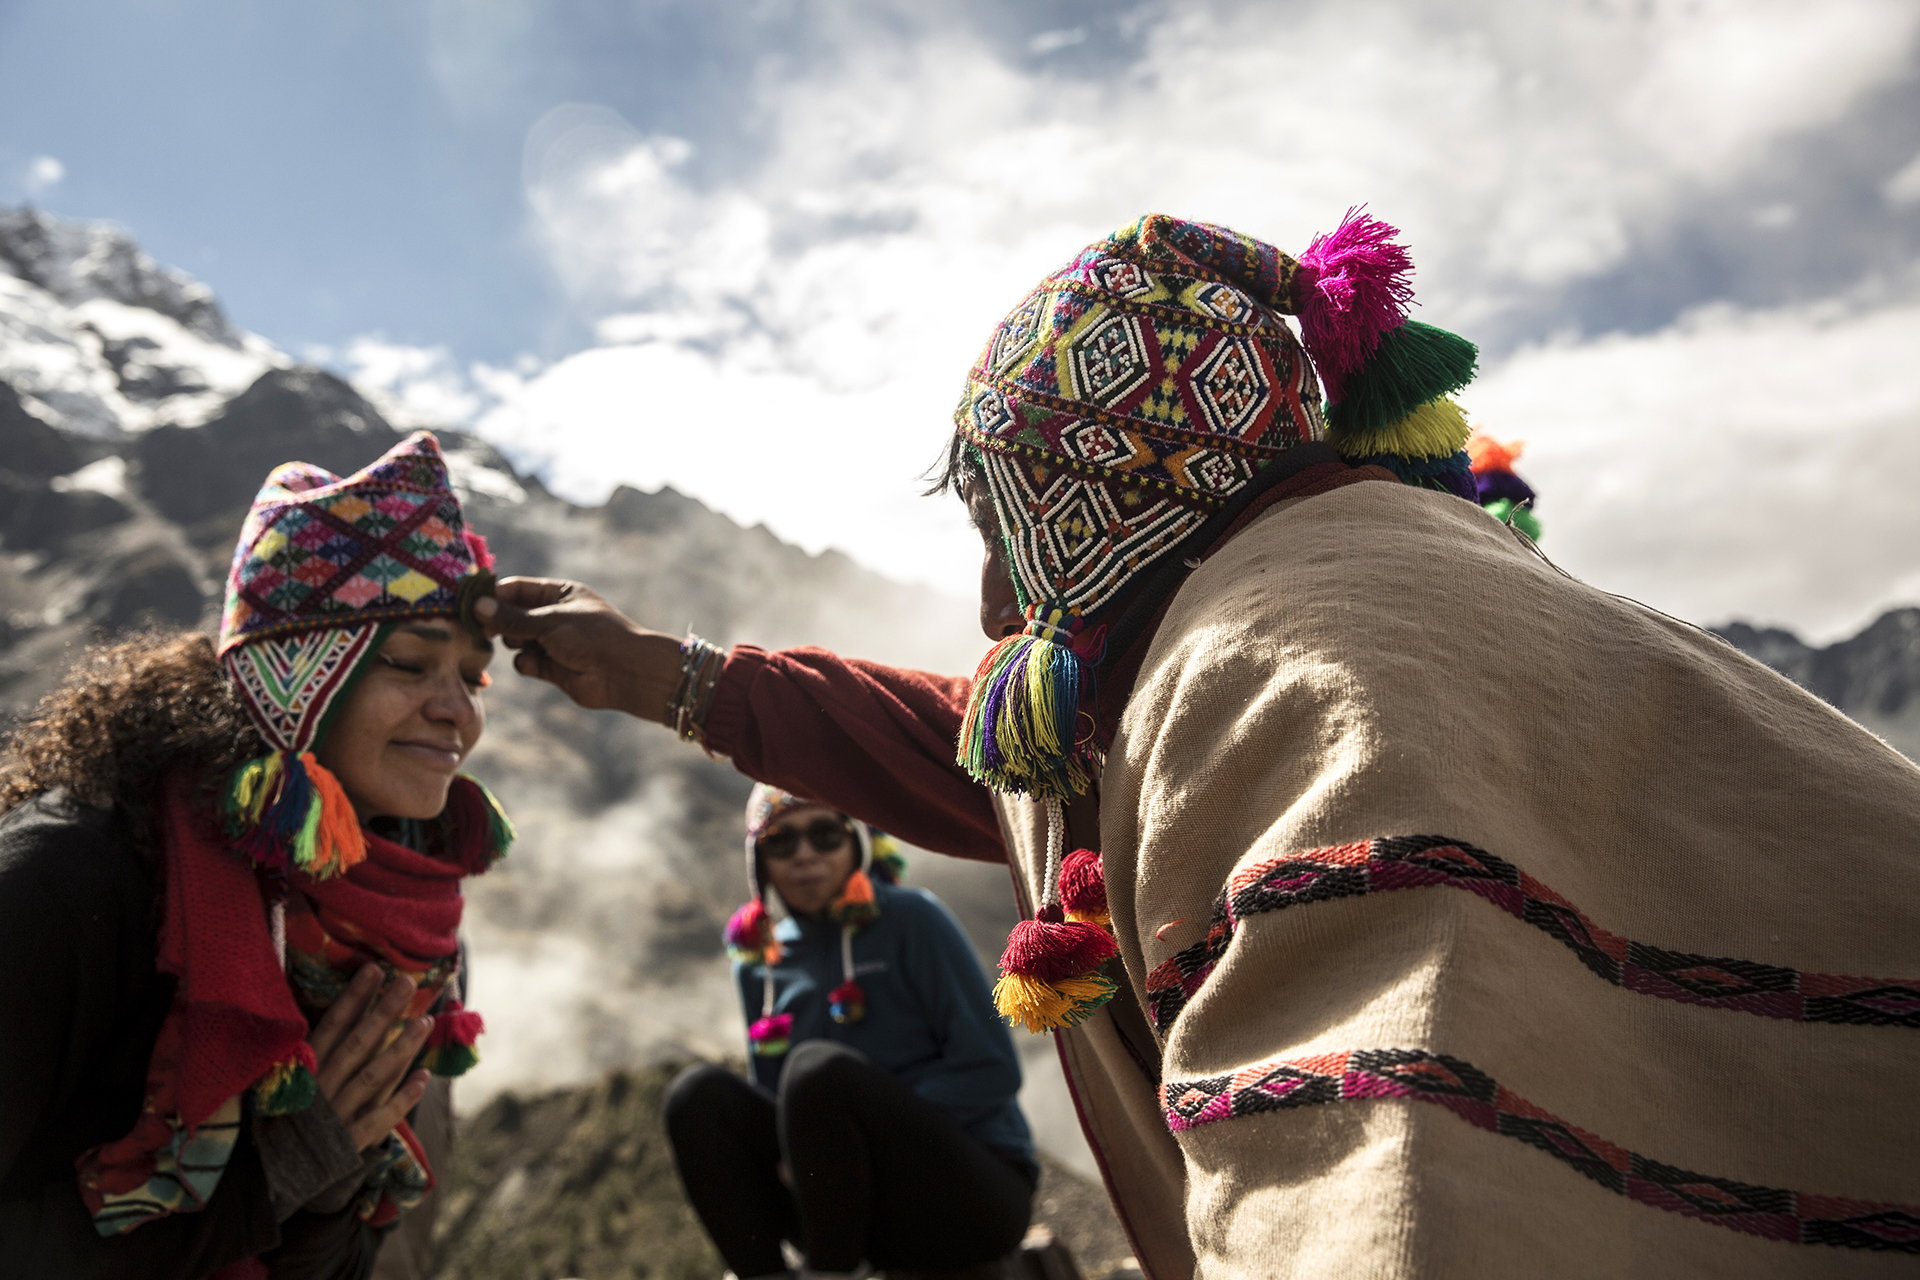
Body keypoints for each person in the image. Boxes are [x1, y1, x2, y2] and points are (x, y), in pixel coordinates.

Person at [479, 213, 1920, 1278]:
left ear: (1109, 491)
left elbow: (1388, 1181)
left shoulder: (1281, 677)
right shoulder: (1308, 591)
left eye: (1006, 535)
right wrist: (673, 678)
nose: (992, 603)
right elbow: (987, 754)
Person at [0, 432, 512, 1279]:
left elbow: (345, 1262)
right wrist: (263, 1183)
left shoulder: (398, 940)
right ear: (301, 675)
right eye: (412, 662)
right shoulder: (72, 882)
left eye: (474, 674)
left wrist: (315, 1190)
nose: (458, 711)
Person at [664, 784, 1035, 1280]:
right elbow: (777, 1100)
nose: (804, 856)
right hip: (840, 1205)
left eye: (824, 835)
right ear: (760, 862)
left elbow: (992, 1069)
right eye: (782, 842)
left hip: (963, 1196)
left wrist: (860, 1132)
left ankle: (831, 1275)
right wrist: (821, 1151)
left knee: (819, 1074)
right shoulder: (760, 964)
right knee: (696, 1096)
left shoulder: (912, 919)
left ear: (856, 842)